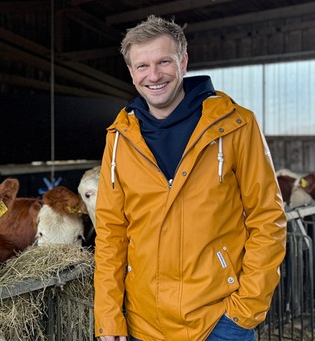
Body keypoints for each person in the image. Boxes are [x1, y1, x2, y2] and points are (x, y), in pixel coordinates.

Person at [93, 15, 287, 341]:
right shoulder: (119, 138)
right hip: (144, 324)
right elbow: (111, 233)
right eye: (142, 66)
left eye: (164, 62)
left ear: (183, 62)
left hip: (219, 321)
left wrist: (245, 309)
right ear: (130, 72)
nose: (153, 75)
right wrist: (109, 317)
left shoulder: (235, 125)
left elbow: (267, 217)